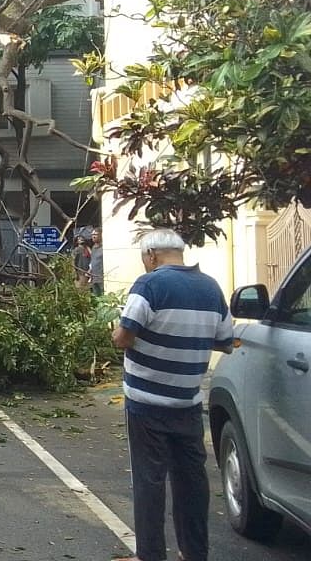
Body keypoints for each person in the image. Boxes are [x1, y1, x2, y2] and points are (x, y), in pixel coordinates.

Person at [111, 228, 233, 561]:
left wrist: (117, 330)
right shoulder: (211, 287)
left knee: (150, 481)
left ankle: (150, 555)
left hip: (146, 403)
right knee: (192, 481)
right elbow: (225, 341)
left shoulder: (150, 285)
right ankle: (194, 552)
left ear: (151, 254)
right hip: (188, 402)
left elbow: (123, 336)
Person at [87, 227, 105, 295]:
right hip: (94, 277)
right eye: (92, 235)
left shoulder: (104, 247)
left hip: (102, 278)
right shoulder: (93, 247)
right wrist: (89, 270)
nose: (93, 236)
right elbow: (93, 261)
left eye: (95, 234)